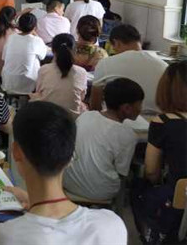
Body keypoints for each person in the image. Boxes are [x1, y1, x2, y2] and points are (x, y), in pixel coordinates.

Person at [0, 102, 127, 245]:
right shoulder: (112, 225)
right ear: (71, 156)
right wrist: (32, 201)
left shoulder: (4, 236)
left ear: (16, 152)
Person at [133, 61, 187, 243]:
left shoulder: (163, 122)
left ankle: (152, 237)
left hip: (179, 201)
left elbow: (151, 171)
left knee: (139, 189)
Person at [64, 78, 143, 201]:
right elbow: (122, 172)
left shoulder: (86, 116)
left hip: (68, 182)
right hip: (101, 192)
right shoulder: (128, 134)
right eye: (139, 104)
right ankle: (119, 207)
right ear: (127, 108)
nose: (141, 108)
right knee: (132, 175)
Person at [91, 24, 167, 113]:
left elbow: (95, 105)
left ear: (116, 43)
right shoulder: (163, 65)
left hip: (121, 119)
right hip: (157, 119)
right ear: (140, 41)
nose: (114, 51)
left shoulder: (105, 63)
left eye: (113, 47)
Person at [31, 34, 88, 118]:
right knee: (83, 106)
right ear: (75, 50)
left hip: (46, 116)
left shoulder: (44, 69)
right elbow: (82, 97)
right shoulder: (82, 72)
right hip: (71, 118)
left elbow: (39, 91)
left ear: (53, 50)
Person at [1, 13, 47, 94]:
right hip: (28, 83)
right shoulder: (36, 40)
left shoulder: (11, 37)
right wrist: (36, 35)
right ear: (35, 27)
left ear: (19, 25)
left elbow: (3, 58)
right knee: (37, 61)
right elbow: (42, 56)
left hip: (8, 82)